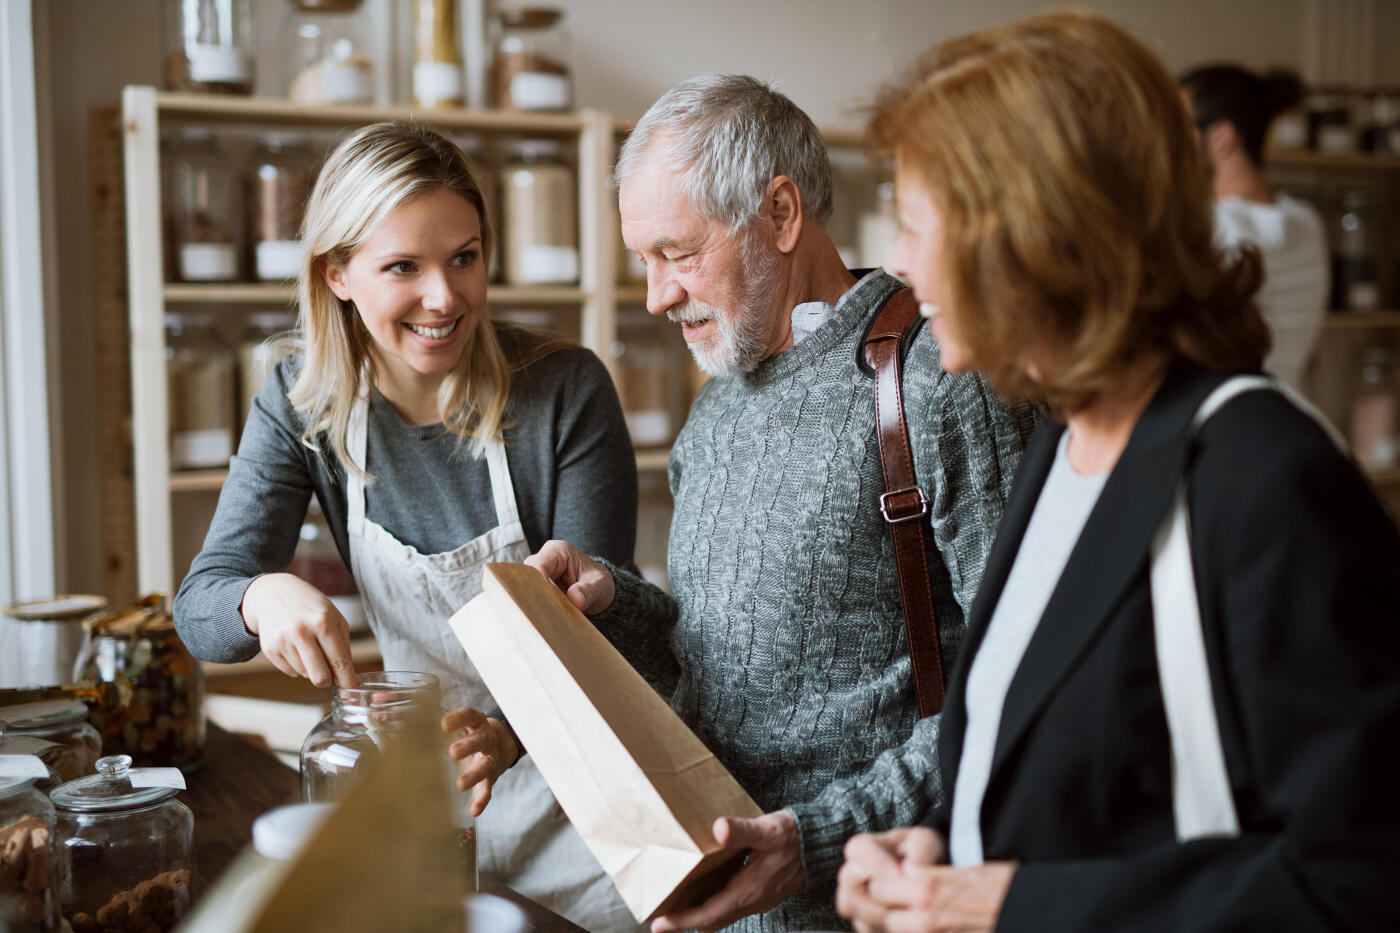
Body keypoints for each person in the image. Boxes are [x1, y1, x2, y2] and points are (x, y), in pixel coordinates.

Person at [837, 10, 1400, 932]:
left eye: (911, 224)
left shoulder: (1262, 478)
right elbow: (1065, 770)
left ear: (1039, 235)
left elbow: (1360, 880)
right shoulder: (1062, 441)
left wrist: (1012, 904)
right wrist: (941, 844)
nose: (897, 265)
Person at [458, 75, 1037, 933]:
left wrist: (813, 840)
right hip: (715, 906)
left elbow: (1021, 694)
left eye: (677, 253)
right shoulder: (718, 400)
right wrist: (612, 597)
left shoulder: (942, 381)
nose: (655, 295)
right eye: (642, 262)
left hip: (870, 907)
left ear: (780, 212)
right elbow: (707, 658)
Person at [172, 122, 644, 932]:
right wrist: (259, 597)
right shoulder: (300, 404)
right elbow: (201, 609)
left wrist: (501, 734)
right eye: (404, 267)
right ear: (339, 274)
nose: (444, 297)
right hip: (425, 816)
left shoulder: (564, 389)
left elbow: (604, 635)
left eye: (464, 256)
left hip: (586, 810)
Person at [1180, 64, 1329, 392]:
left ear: (1222, 137)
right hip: (1292, 407)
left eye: (1180, 126)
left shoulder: (1211, 227)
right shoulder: (1307, 222)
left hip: (1228, 417)